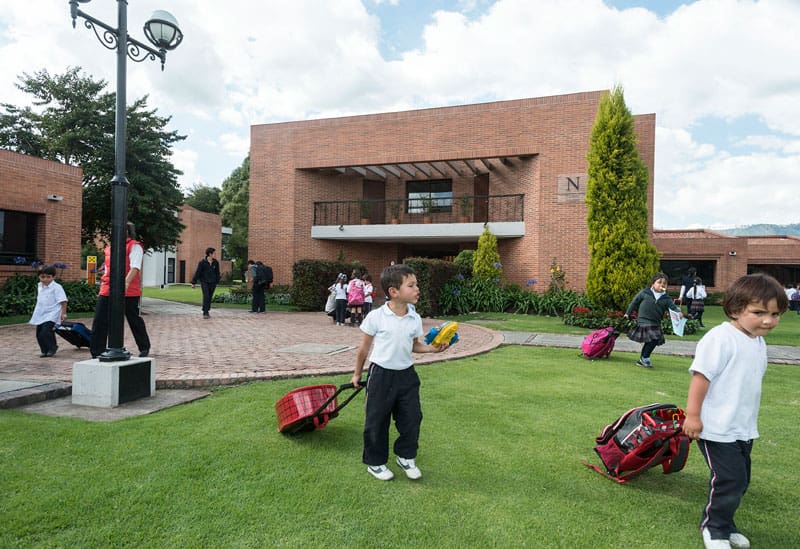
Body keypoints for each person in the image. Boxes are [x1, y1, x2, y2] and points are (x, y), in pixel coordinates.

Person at [682, 273, 788, 549]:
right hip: (716, 428)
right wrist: (692, 416)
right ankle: (714, 529)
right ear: (735, 309)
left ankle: (726, 525)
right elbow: (700, 378)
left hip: (742, 428)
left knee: (740, 481)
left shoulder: (757, 341)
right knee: (729, 479)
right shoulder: (720, 338)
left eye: (775, 314)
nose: (768, 320)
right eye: (759, 312)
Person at [350, 263, 450, 481]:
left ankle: (405, 457)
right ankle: (375, 463)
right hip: (381, 374)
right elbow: (364, 348)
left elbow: (414, 344)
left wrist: (432, 349)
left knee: (412, 417)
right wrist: (357, 374)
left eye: (416, 285)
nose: (417, 289)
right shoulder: (377, 317)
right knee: (377, 420)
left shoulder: (414, 317)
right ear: (393, 292)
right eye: (411, 285)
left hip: (407, 374)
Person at [90, 222, 151, 358]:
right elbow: (107, 268)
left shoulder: (134, 246)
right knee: (100, 319)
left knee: (133, 317)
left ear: (127, 232)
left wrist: (126, 284)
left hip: (128, 289)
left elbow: (135, 267)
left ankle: (144, 346)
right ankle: (96, 351)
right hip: (108, 287)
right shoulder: (109, 249)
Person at [623, 272, 682, 369]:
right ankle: (645, 358)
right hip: (643, 320)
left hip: (656, 322)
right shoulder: (645, 293)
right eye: (659, 282)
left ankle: (643, 358)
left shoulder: (666, 298)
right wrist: (627, 313)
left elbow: (673, 308)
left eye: (664, 283)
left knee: (653, 340)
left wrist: (678, 312)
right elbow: (634, 302)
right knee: (653, 338)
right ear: (653, 284)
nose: (662, 285)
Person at [28, 264, 68, 358]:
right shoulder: (40, 286)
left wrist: (63, 313)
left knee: (46, 331)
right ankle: (44, 350)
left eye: (48, 277)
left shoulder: (57, 287)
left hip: (52, 313)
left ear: (53, 277)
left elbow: (63, 301)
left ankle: (52, 347)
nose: (45, 279)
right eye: (42, 277)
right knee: (39, 334)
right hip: (41, 313)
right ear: (39, 277)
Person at [191, 247, 221, 319]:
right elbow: (197, 272)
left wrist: (217, 280)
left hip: (212, 282)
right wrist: (193, 282)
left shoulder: (215, 262)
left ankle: (207, 310)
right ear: (210, 254)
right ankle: (205, 312)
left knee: (210, 297)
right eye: (214, 253)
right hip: (204, 282)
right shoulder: (202, 262)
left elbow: (217, 273)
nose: (215, 255)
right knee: (206, 296)